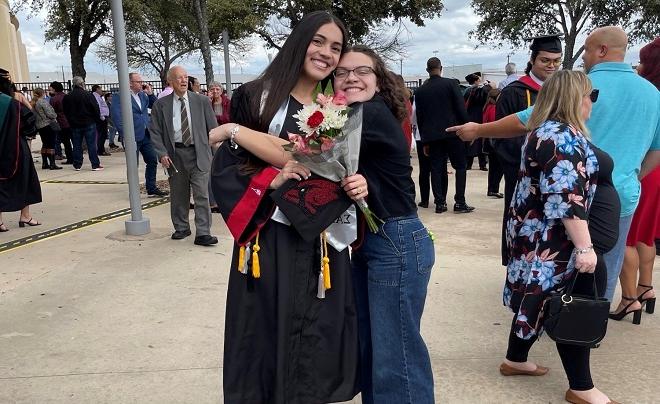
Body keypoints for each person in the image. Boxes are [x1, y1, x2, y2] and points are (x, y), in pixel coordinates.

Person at [207, 11, 360, 403]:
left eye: (336, 47)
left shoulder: (339, 109)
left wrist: (361, 183)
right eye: (319, 41)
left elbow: (350, 164)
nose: (326, 53)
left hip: (321, 240)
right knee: (264, 329)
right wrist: (265, 180)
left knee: (317, 335)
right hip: (269, 236)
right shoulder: (257, 95)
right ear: (300, 41)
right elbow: (227, 163)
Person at [450, 27, 660, 302]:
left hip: (569, 195)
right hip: (620, 197)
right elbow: (656, 151)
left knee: (560, 261)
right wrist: (627, 178)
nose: (583, 56)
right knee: (607, 261)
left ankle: (558, 317)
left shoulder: (579, 87)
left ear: (602, 50)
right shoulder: (652, 93)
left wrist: (478, 130)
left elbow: (523, 120)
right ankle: (591, 324)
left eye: (586, 49)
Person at [500, 70, 619, 404]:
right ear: (573, 98)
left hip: (541, 236)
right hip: (555, 241)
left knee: (537, 296)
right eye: (590, 95)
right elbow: (565, 199)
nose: (592, 102)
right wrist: (585, 248)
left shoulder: (548, 131)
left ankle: (515, 359)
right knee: (574, 303)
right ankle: (581, 388)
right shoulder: (559, 136)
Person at [334, 45, 435, 404]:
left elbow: (310, 151)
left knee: (398, 356)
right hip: (373, 240)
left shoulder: (367, 114)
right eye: (342, 72)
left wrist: (234, 131)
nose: (351, 78)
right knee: (376, 349)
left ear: (378, 80)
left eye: (362, 71)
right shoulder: (358, 115)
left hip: (396, 241)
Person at [495, 34, 563, 265]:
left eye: (556, 60)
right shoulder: (514, 91)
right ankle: (516, 264)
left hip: (557, 171)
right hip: (522, 171)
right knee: (520, 219)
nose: (551, 65)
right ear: (533, 60)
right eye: (545, 60)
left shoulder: (563, 92)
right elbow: (501, 135)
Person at [610, 37, 660, 321]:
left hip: (640, 169)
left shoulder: (643, 91)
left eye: (642, 60)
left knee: (626, 237)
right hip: (657, 170)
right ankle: (646, 287)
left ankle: (629, 299)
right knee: (645, 233)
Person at [149, 66, 217, 246]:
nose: (183, 80)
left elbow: (213, 129)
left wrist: (215, 154)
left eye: (186, 77)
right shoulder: (161, 105)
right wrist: (162, 153)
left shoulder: (201, 101)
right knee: (179, 195)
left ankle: (203, 232)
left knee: (201, 194)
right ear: (170, 81)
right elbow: (154, 132)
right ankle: (181, 227)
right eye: (179, 77)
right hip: (175, 155)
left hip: (199, 153)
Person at [415, 57, 474, 214]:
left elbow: (420, 118)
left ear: (427, 70)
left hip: (433, 136)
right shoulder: (451, 84)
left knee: (436, 168)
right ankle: (459, 202)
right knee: (460, 166)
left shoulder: (420, 91)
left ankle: (440, 203)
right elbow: (460, 108)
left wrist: (425, 140)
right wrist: (468, 127)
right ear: (441, 68)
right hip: (453, 132)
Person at [111, 73, 168, 197]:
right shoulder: (119, 96)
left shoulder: (143, 96)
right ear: (130, 83)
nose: (142, 84)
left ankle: (151, 188)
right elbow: (116, 116)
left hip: (146, 134)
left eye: (142, 81)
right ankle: (133, 191)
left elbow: (156, 106)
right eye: (138, 82)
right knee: (133, 164)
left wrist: (150, 94)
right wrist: (125, 134)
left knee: (152, 160)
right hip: (132, 135)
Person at [0, 68, 42, 231]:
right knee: (25, 179)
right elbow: (30, 123)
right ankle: (25, 216)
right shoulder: (13, 102)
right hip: (15, 148)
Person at [62, 76, 104, 171]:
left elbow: (65, 110)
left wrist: (70, 120)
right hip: (89, 122)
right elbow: (95, 108)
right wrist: (96, 119)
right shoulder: (88, 95)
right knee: (91, 144)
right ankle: (95, 164)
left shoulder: (68, 96)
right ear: (82, 84)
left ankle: (77, 164)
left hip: (74, 123)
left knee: (76, 144)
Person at [463, 72, 491, 171]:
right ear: (476, 81)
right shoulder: (479, 90)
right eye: (479, 79)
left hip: (470, 117)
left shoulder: (466, 91)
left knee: (471, 140)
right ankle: (482, 164)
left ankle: (468, 164)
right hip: (479, 116)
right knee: (480, 140)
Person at [31, 88, 62, 170]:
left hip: (39, 125)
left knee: (45, 144)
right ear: (42, 93)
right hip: (48, 124)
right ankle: (52, 163)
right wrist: (55, 115)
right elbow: (50, 114)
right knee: (51, 144)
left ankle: (45, 163)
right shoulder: (42, 102)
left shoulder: (34, 103)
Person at [482, 88, 503, 198]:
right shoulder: (494, 108)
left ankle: (492, 188)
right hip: (495, 140)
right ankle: (494, 189)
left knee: (493, 167)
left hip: (488, 140)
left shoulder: (487, 107)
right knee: (498, 167)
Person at [49, 81, 74, 164]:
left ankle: (70, 158)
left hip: (62, 122)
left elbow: (52, 111)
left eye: (51, 88)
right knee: (74, 140)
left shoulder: (54, 99)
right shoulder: (67, 96)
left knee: (66, 142)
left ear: (54, 89)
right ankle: (77, 156)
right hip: (71, 121)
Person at [91, 85, 110, 156]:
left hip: (102, 117)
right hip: (101, 118)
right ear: (97, 89)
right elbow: (98, 106)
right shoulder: (96, 96)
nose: (101, 90)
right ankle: (100, 150)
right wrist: (101, 116)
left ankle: (101, 149)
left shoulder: (98, 96)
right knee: (102, 134)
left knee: (103, 134)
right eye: (100, 89)